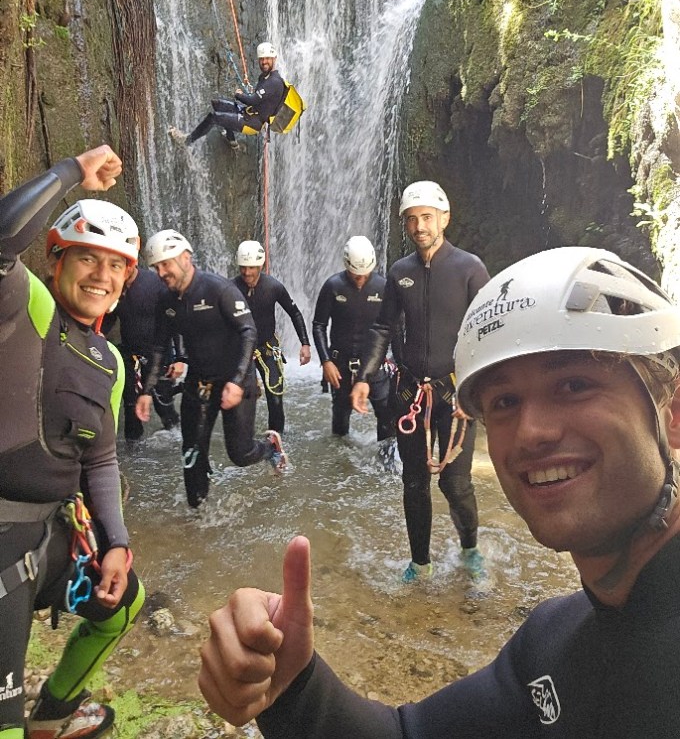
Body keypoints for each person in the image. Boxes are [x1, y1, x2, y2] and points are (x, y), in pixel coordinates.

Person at [199, 245, 680, 737]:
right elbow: (411, 733)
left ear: (673, 411)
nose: (533, 431)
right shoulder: (552, 643)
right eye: (506, 401)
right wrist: (295, 687)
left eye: (575, 385)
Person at [0, 145, 145, 739]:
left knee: (124, 601)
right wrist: (71, 174)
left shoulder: (108, 360)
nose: (101, 276)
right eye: (87, 258)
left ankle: (55, 712)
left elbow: (102, 459)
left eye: (116, 266)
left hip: (48, 542)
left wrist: (116, 543)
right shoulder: (25, 306)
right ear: (55, 260)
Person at [350, 182, 490, 583]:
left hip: (454, 390)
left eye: (426, 217)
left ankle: (470, 550)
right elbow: (383, 327)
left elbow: (486, 331)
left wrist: (473, 390)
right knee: (414, 482)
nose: (419, 226)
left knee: (455, 482)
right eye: (411, 219)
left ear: (444, 218)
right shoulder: (399, 272)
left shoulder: (469, 268)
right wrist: (364, 378)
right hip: (410, 390)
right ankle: (420, 564)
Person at [135, 230, 286, 509]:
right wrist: (147, 390)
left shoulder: (219, 289)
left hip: (235, 380)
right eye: (156, 267)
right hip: (199, 383)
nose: (161, 272)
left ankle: (269, 447)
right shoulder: (165, 300)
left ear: (185, 258)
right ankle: (198, 514)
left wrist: (238, 380)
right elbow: (158, 346)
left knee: (239, 453)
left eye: (166, 264)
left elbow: (248, 331)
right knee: (191, 451)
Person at [312, 236, 397, 468]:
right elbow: (319, 324)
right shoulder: (333, 286)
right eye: (355, 274)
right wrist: (325, 361)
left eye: (364, 274)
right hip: (340, 364)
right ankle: (340, 466)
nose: (360, 279)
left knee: (386, 415)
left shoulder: (383, 286)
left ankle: (386, 463)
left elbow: (396, 328)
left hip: (375, 365)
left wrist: (398, 362)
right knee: (340, 416)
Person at [232, 240, 311, 434]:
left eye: (251, 268)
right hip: (241, 347)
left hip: (267, 346)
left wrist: (305, 344)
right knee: (243, 397)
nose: (247, 273)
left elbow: (294, 312)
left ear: (260, 266)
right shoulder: (231, 288)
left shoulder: (273, 287)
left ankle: (276, 438)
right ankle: (243, 441)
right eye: (243, 268)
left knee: (275, 396)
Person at [103, 264, 184, 442]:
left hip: (159, 356)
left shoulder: (155, 283)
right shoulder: (114, 286)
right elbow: (108, 317)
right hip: (131, 356)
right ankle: (133, 452)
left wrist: (180, 357)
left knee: (164, 405)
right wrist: (97, 335)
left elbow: (175, 319)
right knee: (130, 405)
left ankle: (177, 444)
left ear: (133, 264)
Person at [169, 42, 285, 150]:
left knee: (214, 117)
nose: (264, 61)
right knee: (217, 104)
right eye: (262, 59)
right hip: (248, 113)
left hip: (253, 123)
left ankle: (186, 142)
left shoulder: (273, 81)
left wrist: (238, 95)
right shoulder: (266, 77)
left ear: (274, 59)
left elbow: (253, 100)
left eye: (268, 58)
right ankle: (231, 140)